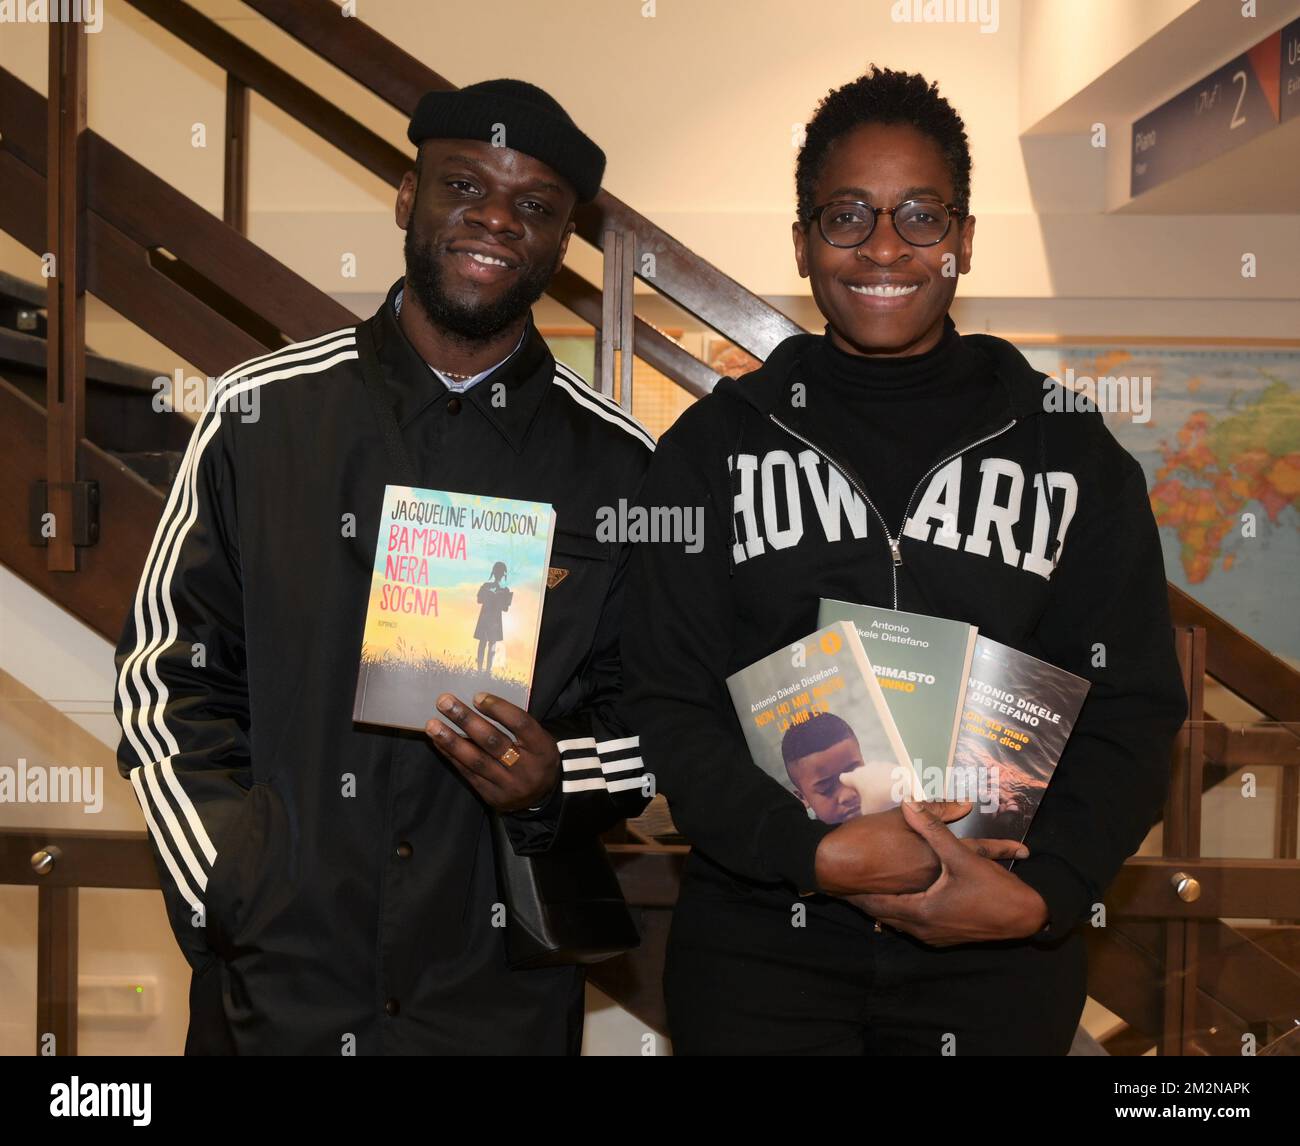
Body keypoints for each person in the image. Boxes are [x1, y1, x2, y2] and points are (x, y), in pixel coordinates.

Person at [620, 65, 1188, 1055]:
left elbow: (1132, 709)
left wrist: (1044, 896)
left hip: (995, 955)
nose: (883, 247)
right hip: (763, 947)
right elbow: (668, 699)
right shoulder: (712, 451)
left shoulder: (1072, 455)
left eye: (920, 216)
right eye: (848, 215)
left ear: (964, 237)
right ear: (802, 240)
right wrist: (813, 853)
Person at [113, 79, 653, 1055]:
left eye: (534, 206)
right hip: (276, 993)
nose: (495, 218)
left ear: (563, 240)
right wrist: (234, 887)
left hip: (494, 1001)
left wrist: (552, 776)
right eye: (464, 186)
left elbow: (655, 716)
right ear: (408, 196)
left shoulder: (621, 465)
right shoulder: (256, 415)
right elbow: (165, 675)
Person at [475, 560, 513, 673]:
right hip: (486, 617)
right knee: (483, 642)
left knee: (491, 644)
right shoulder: (486, 586)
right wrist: (489, 596)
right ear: (494, 572)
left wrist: (499, 599)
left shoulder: (505, 590)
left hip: (494, 619)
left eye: (500, 572)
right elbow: (479, 599)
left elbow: (505, 608)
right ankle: (480, 670)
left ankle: (487, 671)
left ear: (503, 574)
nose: (498, 575)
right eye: (497, 572)